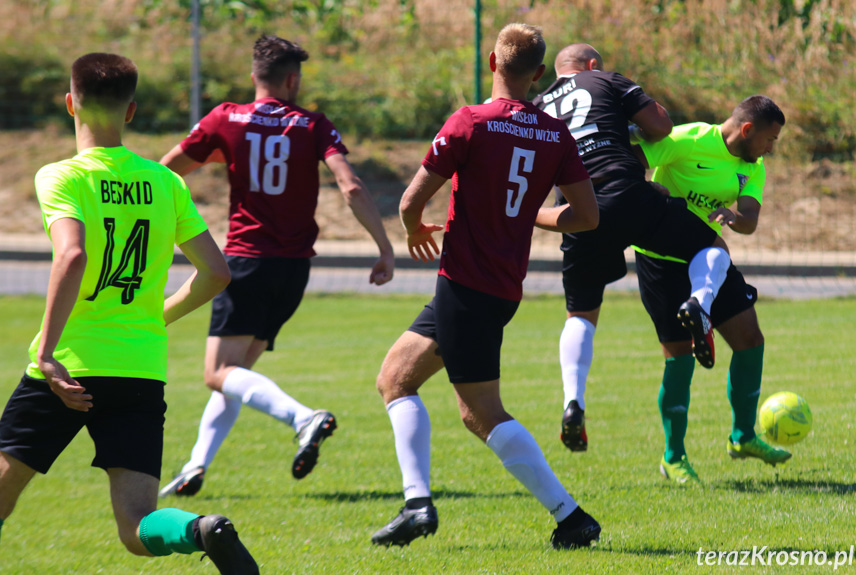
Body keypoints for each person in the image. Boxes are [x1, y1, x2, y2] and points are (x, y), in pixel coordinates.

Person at [0, 53, 258, 573]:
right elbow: (216, 272)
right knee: (139, 527)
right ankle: (198, 530)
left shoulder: (62, 176)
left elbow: (73, 254)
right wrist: (155, 317)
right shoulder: (165, 183)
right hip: (139, 368)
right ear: (132, 110)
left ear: (70, 103)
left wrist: (48, 354)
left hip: (69, 366)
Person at [371, 23, 602, 550]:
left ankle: (570, 516)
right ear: (538, 75)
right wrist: (528, 216)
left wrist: (412, 231)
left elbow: (410, 203)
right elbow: (587, 217)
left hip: (465, 284)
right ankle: (416, 506)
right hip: (495, 288)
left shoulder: (470, 121)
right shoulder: (554, 133)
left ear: (492, 62)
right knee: (395, 378)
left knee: (479, 412)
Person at [158, 35, 395, 496]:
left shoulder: (225, 118)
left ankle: (303, 418)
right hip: (293, 270)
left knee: (217, 372)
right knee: (235, 375)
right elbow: (350, 187)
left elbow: (164, 172)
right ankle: (195, 466)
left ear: (254, 77)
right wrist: (384, 246)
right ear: (292, 79)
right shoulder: (312, 125)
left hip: (247, 261)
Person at [531, 44, 731, 452]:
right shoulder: (605, 79)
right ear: (590, 66)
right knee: (712, 245)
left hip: (576, 209)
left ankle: (573, 401)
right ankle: (699, 302)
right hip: (626, 191)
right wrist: (627, 127)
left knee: (581, 313)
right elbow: (660, 126)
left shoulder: (536, 106)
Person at [632, 95, 791, 484]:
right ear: (747, 130)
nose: (771, 149)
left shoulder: (751, 167)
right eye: (769, 140)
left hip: (707, 260)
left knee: (751, 340)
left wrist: (734, 217)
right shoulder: (687, 140)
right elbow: (635, 156)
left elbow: (750, 218)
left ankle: (743, 437)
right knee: (679, 359)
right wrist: (648, 192)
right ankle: (673, 457)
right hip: (660, 258)